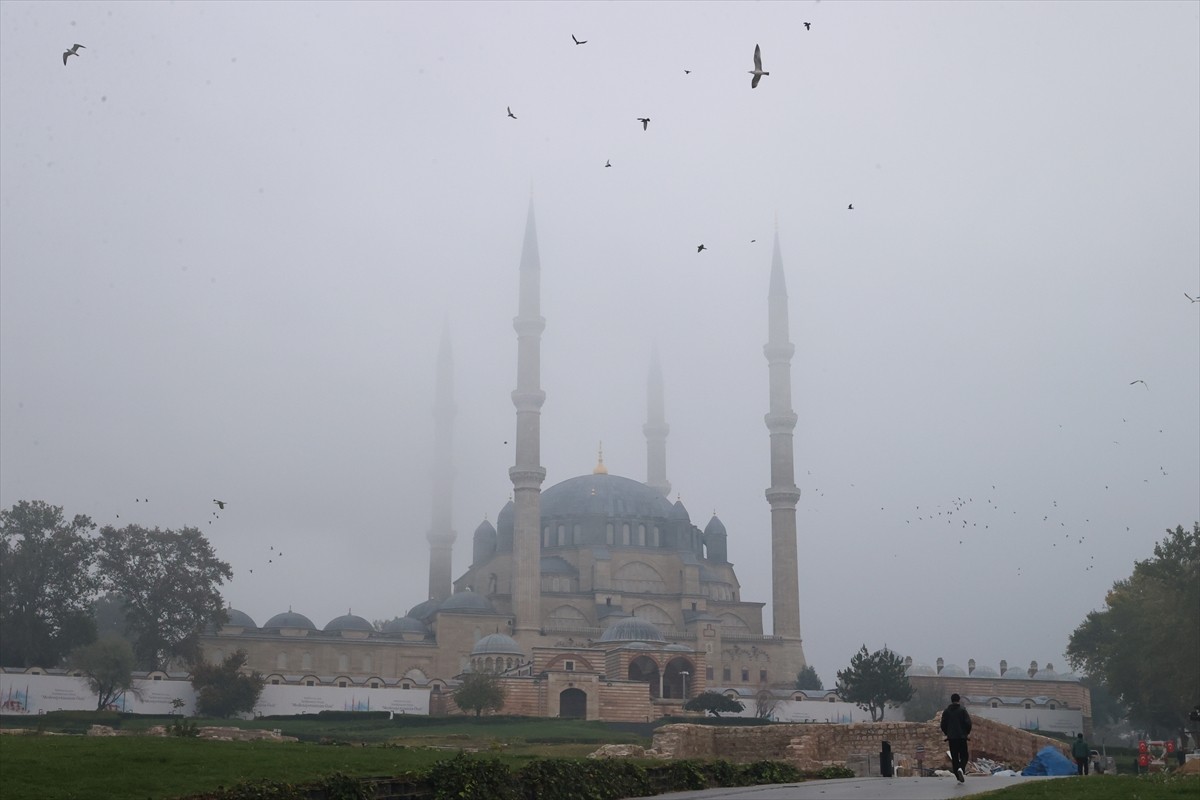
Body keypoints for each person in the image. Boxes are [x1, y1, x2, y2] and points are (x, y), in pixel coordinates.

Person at [940, 693, 972, 783]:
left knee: (954, 757)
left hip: (951, 738)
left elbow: (943, 724)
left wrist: (947, 733)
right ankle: (961, 768)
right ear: (959, 700)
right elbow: (968, 723)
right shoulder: (962, 710)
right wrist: (966, 733)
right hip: (961, 737)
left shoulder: (946, 711)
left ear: (951, 700)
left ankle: (958, 775)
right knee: (964, 755)